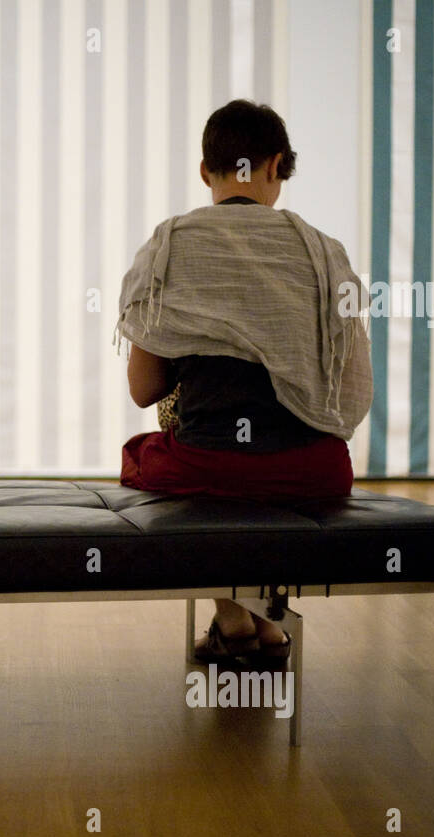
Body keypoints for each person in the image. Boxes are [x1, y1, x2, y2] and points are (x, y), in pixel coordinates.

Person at [115, 100, 374, 667]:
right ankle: (266, 623)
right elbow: (351, 391)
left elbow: (143, 389)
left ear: (205, 171)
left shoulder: (170, 245)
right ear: (276, 165)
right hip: (314, 472)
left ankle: (234, 621)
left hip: (207, 469)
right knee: (262, 483)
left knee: (154, 456)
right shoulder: (325, 253)